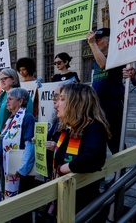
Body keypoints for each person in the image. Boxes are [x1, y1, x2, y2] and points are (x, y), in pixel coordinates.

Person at [53, 83, 110, 217]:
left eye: (62, 99)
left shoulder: (94, 128)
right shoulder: (69, 128)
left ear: (76, 103)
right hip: (66, 198)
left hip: (82, 206)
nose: (56, 104)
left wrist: (63, 168)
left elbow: (94, 158)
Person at [0, 88, 36, 222]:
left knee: (21, 210)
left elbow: (30, 143)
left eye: (10, 99)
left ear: (20, 101)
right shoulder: (11, 118)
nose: (6, 102)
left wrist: (23, 169)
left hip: (20, 173)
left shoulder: (27, 118)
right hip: (8, 170)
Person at [86, 28, 125, 155]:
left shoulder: (116, 57)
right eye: (94, 40)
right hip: (97, 105)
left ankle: (122, 171)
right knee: (98, 140)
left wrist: (91, 44)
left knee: (115, 141)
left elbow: (104, 65)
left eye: (98, 40)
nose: (95, 42)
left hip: (111, 106)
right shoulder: (97, 59)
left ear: (108, 41)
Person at [0, 68, 32, 134]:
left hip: (13, 133)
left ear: (13, 79)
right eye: (0, 79)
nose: (2, 81)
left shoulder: (21, 93)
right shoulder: (2, 95)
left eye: (5, 78)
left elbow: (28, 112)